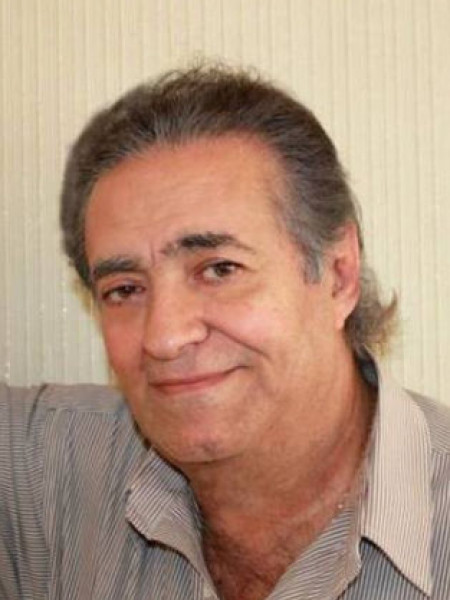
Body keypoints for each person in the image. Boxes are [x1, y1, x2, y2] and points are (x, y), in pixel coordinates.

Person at [1, 64, 449, 600]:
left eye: (219, 269)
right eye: (124, 289)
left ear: (338, 275)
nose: (165, 337)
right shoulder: (45, 475)